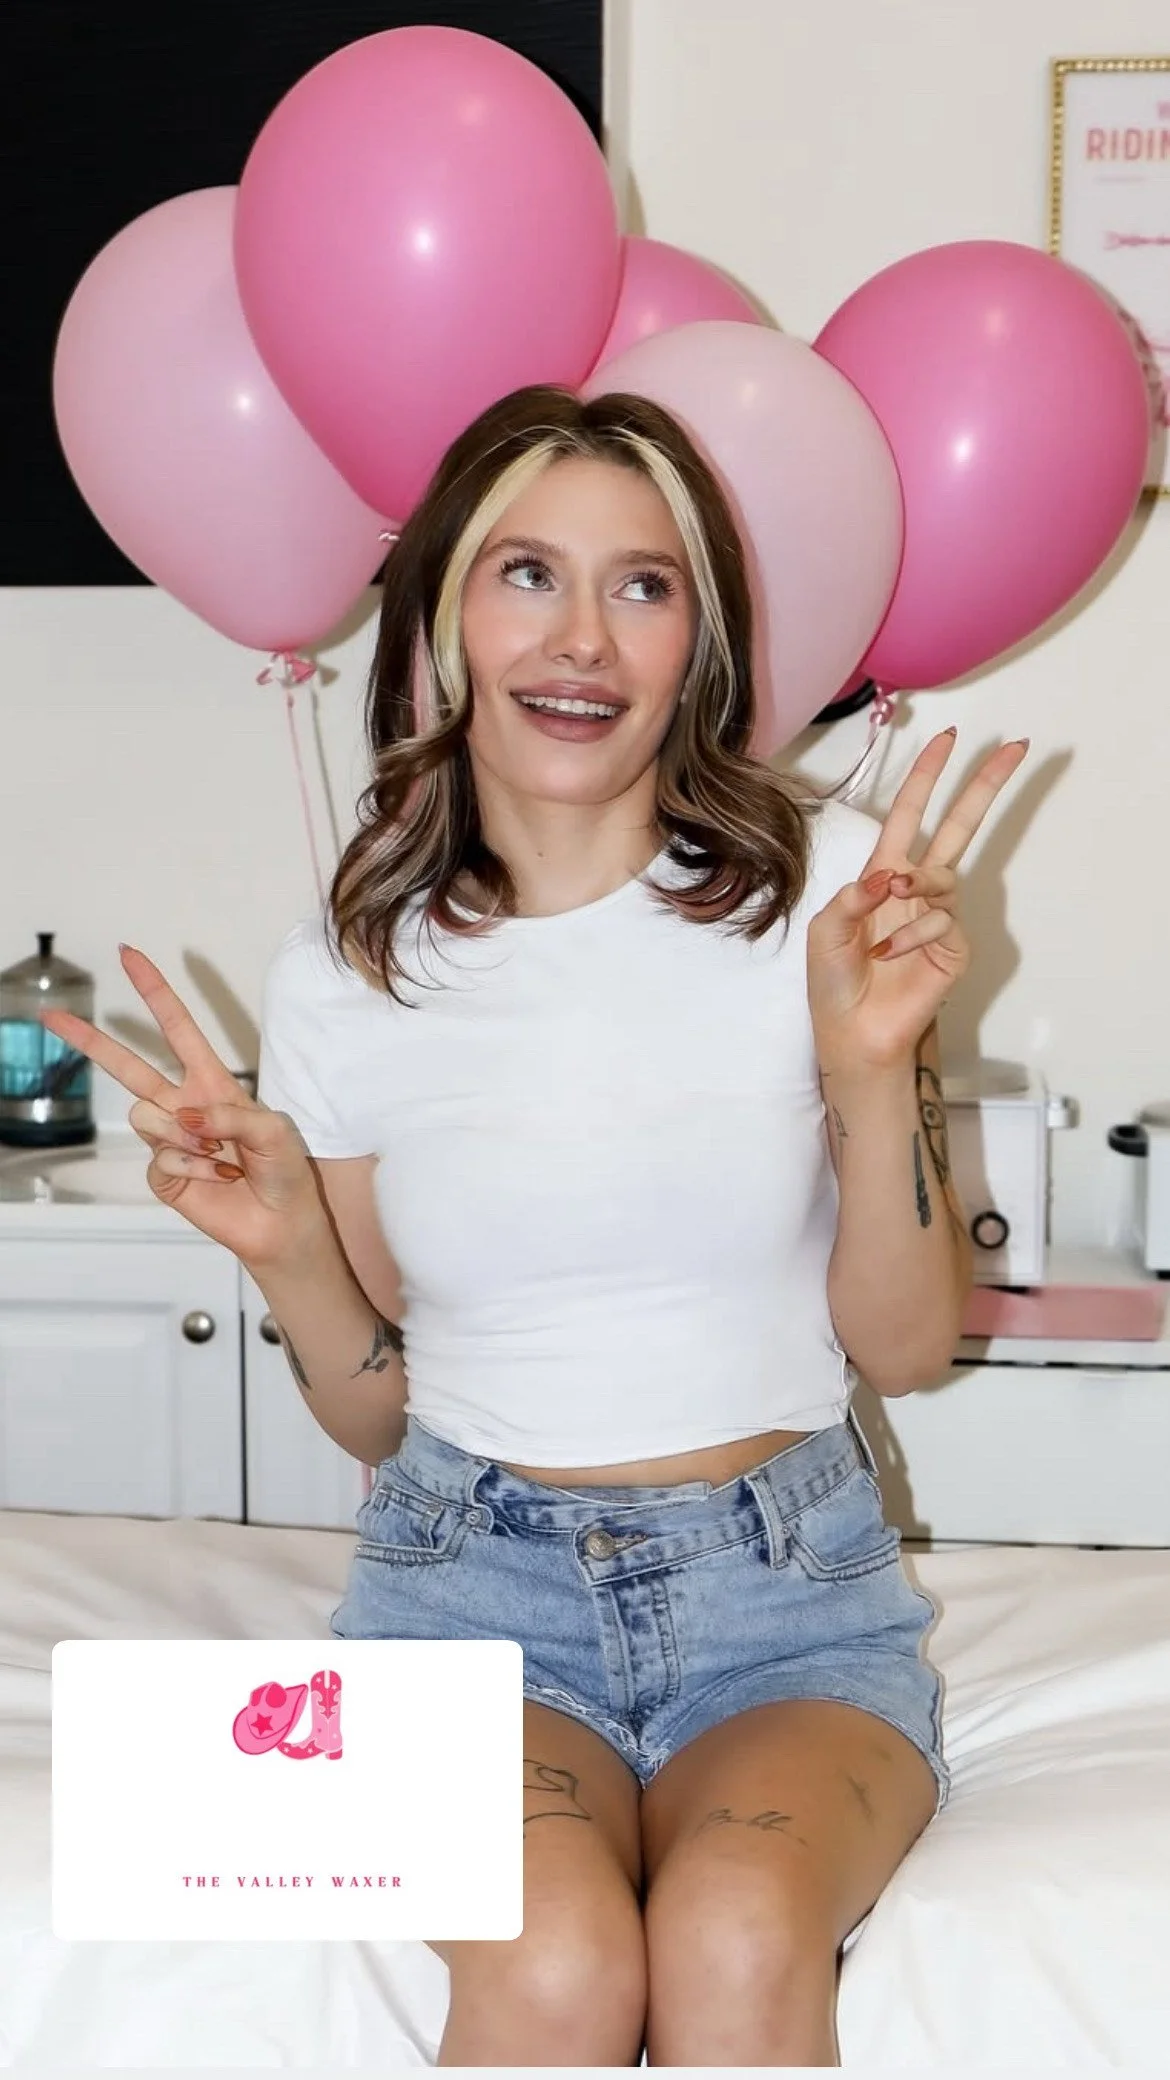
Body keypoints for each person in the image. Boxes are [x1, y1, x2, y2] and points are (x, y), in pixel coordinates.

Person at [46, 384, 1028, 2067]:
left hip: (787, 1600)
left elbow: (905, 1347)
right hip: (463, 1597)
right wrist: (283, 1244)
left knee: (730, 1931)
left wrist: (873, 1068)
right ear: (437, 616)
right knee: (556, 1963)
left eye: (642, 587)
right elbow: (378, 1405)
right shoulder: (350, 963)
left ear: (695, 642)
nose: (583, 637)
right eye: (526, 575)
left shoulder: (827, 888)